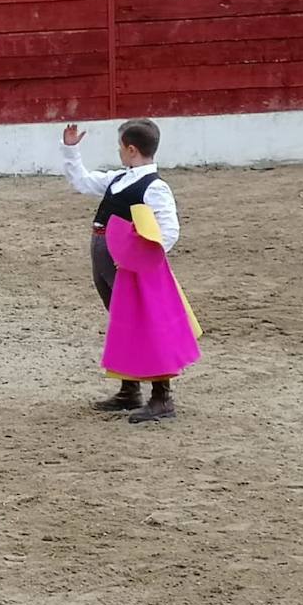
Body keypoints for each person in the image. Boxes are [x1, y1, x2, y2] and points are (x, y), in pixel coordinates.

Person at [60, 120, 199, 422]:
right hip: (105, 256)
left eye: (120, 147)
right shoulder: (119, 179)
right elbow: (82, 181)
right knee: (123, 322)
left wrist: (139, 259)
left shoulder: (155, 187)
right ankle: (130, 390)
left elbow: (168, 231)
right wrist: (71, 149)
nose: (119, 152)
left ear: (131, 149)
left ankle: (162, 398)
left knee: (149, 325)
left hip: (130, 267)